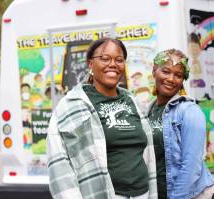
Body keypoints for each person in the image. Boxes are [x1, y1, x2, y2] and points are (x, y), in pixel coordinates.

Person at [47, 38, 157, 199]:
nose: (113, 64)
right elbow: (58, 162)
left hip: (142, 194)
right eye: (105, 59)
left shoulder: (133, 102)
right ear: (90, 64)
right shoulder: (71, 105)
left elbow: (146, 152)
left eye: (119, 60)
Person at [147, 49, 214, 199]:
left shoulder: (189, 111)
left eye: (178, 75)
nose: (171, 79)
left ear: (183, 80)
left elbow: (191, 166)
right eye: (166, 71)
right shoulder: (149, 110)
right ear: (154, 71)